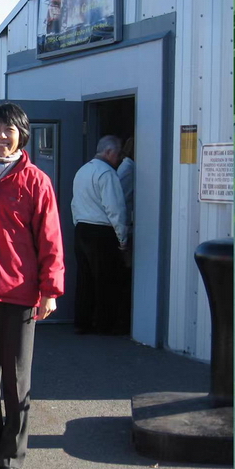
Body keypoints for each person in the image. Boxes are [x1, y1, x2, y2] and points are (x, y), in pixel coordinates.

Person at [0, 102, 64, 469]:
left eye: (9, 129)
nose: (1, 136)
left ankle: (12, 454)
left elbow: (50, 239)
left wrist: (50, 290)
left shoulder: (36, 180)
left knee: (16, 381)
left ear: (22, 135)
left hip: (19, 294)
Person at [71, 135, 130, 335]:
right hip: (102, 231)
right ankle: (105, 324)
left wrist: (78, 223)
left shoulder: (82, 171)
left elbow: (74, 203)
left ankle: (82, 322)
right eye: (118, 154)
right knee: (106, 279)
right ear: (109, 152)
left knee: (84, 278)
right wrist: (122, 239)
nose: (120, 159)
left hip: (82, 227)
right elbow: (116, 209)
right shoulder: (107, 174)